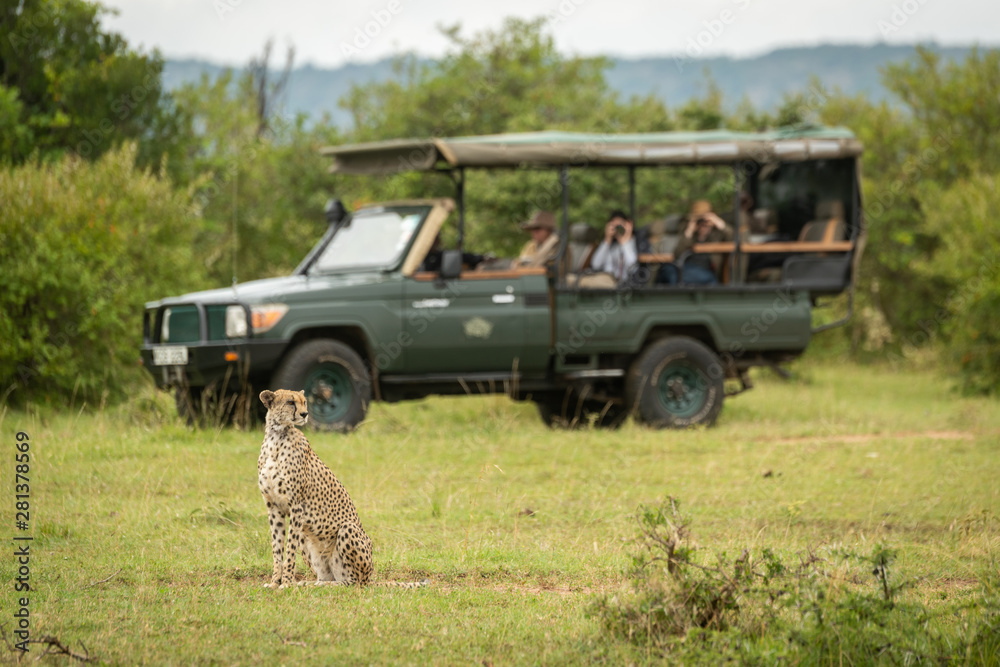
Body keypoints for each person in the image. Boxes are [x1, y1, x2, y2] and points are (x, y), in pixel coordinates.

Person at [658, 200, 733, 285]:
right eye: (699, 220)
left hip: (706, 271)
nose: (702, 224)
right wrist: (689, 231)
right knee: (667, 270)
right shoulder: (690, 234)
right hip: (686, 267)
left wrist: (720, 223)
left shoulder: (718, 234)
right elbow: (677, 254)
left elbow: (735, 240)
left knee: (673, 276)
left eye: (705, 220)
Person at [589, 210, 639, 284]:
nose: (618, 229)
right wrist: (607, 240)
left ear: (629, 224)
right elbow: (595, 265)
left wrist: (624, 242)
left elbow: (633, 268)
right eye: (614, 226)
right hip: (606, 281)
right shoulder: (611, 246)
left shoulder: (637, 242)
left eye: (620, 225)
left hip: (625, 285)